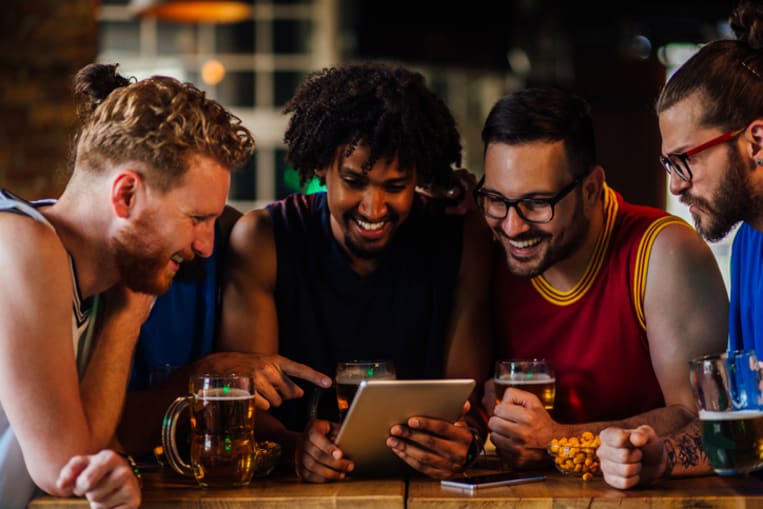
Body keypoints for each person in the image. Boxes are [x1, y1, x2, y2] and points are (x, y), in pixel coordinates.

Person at [0, 61, 257, 509]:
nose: (206, 246)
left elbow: (92, 446)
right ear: (126, 195)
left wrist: (125, 313)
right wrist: (129, 318)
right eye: (197, 219)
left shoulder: (95, 286)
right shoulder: (25, 243)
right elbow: (66, 467)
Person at [220, 61, 493, 482]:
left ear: (420, 177)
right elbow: (245, 403)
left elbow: (466, 398)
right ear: (321, 168)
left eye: (395, 186)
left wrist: (463, 442)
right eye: (354, 181)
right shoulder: (262, 240)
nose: (374, 208)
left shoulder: (460, 241)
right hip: (293, 492)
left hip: (425, 488)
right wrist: (298, 447)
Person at [476, 87, 729, 469]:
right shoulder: (484, 245)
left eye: (537, 203)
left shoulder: (663, 250)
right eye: (497, 199)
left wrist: (559, 440)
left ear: (591, 189)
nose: (512, 226)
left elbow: (700, 419)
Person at [597, 0, 763, 488]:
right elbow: (749, 424)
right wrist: (661, 457)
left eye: (684, 161)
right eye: (669, 166)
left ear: (756, 142)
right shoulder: (750, 241)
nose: (675, 186)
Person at [117, 204, 332, 458]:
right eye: (195, 216)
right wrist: (202, 376)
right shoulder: (79, 257)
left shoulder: (230, 237)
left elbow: (239, 420)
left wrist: (298, 448)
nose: (206, 247)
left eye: (211, 217)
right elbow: (93, 437)